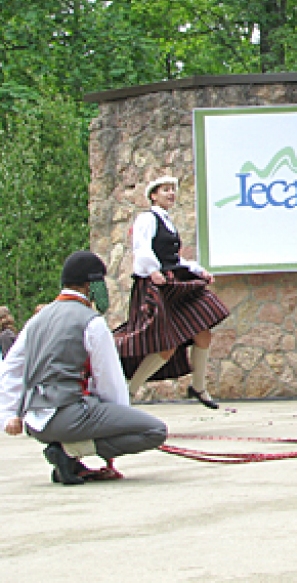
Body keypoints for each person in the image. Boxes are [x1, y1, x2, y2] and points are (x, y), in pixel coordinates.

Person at [1, 251, 167, 485]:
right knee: (155, 431)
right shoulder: (91, 321)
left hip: (35, 422)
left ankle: (67, 455)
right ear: (90, 285)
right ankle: (70, 453)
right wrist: (118, 421)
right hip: (69, 416)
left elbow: (10, 368)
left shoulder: (36, 320)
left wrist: (9, 414)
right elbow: (110, 380)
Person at [116, 176, 230, 409]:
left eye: (172, 190)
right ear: (153, 196)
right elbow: (142, 248)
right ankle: (129, 392)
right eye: (165, 190)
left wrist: (199, 270)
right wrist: (151, 271)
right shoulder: (147, 218)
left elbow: (174, 259)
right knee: (166, 346)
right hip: (156, 286)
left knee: (202, 333)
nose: (171, 193)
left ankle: (198, 387)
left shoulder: (167, 221)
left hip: (172, 282)